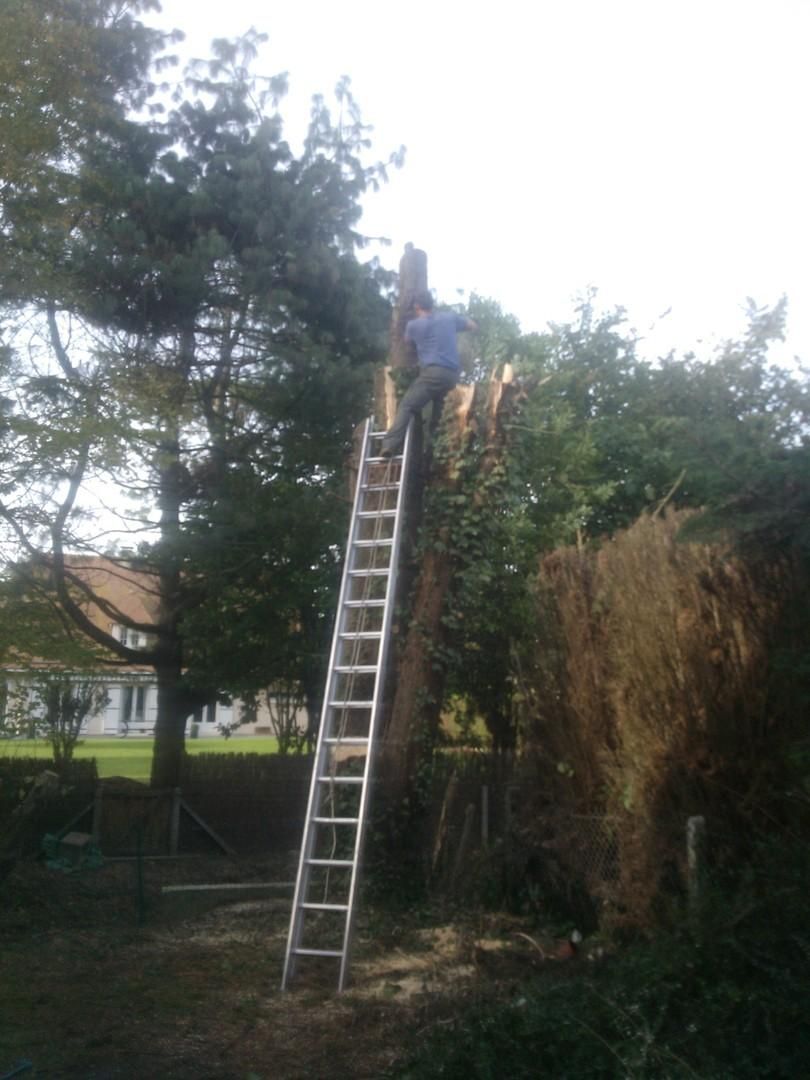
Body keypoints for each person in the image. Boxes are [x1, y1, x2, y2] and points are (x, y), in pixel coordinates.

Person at [380, 291, 478, 456]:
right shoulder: (448, 318)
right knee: (438, 419)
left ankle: (389, 445)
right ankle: (433, 455)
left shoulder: (413, 326)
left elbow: (406, 342)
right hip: (452, 376)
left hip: (432, 373)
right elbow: (473, 325)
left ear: (417, 306)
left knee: (407, 405)